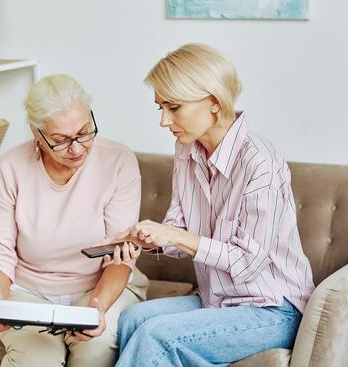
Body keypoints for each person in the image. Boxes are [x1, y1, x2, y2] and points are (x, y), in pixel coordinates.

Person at [110, 43, 316, 367]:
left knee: (156, 337)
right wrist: (149, 238)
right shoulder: (186, 150)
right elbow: (177, 227)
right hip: (218, 300)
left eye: (174, 107)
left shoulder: (260, 161)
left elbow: (248, 262)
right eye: (160, 107)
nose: (164, 121)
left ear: (214, 103)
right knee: (132, 320)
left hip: (274, 308)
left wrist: (174, 237)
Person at [0, 74, 148, 367]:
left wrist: (99, 307)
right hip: (28, 292)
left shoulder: (118, 161)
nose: (77, 148)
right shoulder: (9, 168)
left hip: (99, 286)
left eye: (85, 131)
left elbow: (119, 256)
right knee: (35, 361)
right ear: (36, 133)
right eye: (60, 140)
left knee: (96, 349)